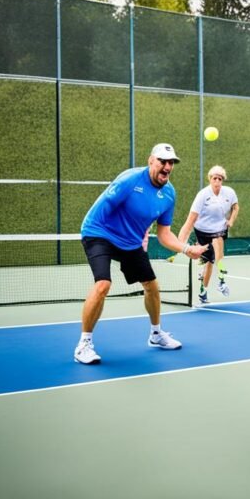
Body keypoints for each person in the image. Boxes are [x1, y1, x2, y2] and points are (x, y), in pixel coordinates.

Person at [75, 143, 208, 365]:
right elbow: (101, 209)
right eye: (162, 161)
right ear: (151, 161)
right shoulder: (129, 180)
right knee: (103, 284)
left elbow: (164, 234)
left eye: (171, 163)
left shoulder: (169, 194)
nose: (167, 166)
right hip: (99, 233)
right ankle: (83, 345)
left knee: (152, 286)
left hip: (130, 242)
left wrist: (186, 249)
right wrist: (115, 233)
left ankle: (156, 334)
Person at [177, 165, 239, 304]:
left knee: (217, 257)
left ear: (222, 180)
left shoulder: (229, 193)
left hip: (219, 230)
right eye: (214, 178)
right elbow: (190, 220)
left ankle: (218, 283)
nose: (217, 181)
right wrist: (180, 243)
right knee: (210, 261)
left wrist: (231, 220)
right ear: (210, 179)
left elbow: (236, 207)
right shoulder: (202, 195)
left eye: (220, 178)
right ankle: (206, 289)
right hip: (203, 231)